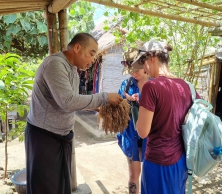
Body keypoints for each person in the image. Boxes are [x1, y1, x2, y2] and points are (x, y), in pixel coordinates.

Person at [25, 32, 123, 194]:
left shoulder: (72, 70)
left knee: (59, 186)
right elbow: (68, 101)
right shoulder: (55, 64)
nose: (92, 61)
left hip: (60, 137)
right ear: (77, 47)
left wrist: (96, 107)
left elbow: (72, 101)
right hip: (44, 138)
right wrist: (104, 98)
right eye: (91, 54)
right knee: (45, 188)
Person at [131, 39, 200, 194]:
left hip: (158, 163)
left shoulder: (152, 86)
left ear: (152, 57)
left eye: (144, 62)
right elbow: (200, 112)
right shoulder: (187, 86)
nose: (144, 68)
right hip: (181, 161)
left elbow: (142, 132)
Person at [117, 47, 150, 194]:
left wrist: (143, 100)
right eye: (130, 70)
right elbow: (118, 107)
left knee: (150, 177)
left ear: (145, 66)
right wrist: (126, 100)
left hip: (151, 140)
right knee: (133, 175)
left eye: (136, 69)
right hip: (131, 136)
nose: (133, 73)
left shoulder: (156, 85)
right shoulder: (127, 85)